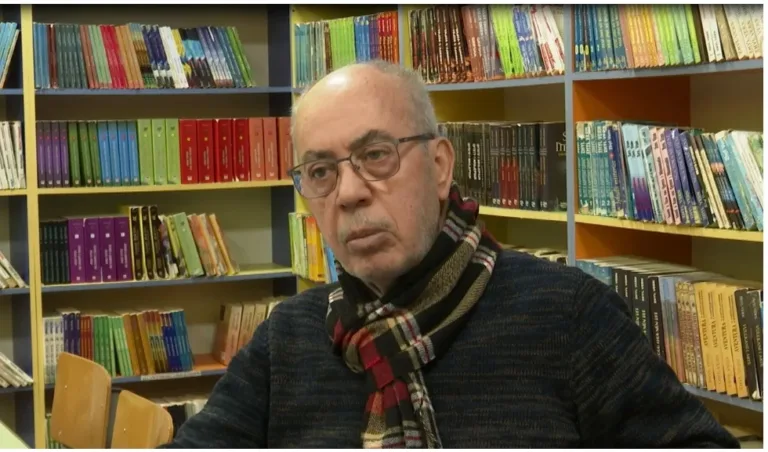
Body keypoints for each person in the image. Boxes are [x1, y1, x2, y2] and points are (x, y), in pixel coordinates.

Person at [160, 60, 739, 449]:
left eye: (376, 155)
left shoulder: (569, 316)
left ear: (439, 166)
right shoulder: (289, 337)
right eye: (320, 171)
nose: (350, 192)